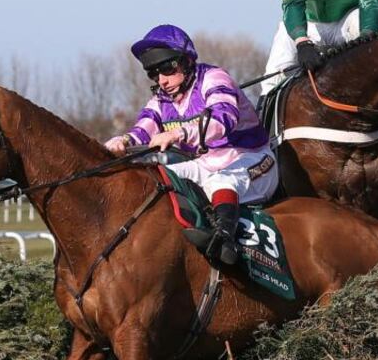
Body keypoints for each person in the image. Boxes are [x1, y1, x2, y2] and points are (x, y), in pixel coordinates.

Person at [105, 24, 279, 267]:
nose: (162, 80)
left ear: (186, 61)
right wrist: (122, 142)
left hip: (254, 160)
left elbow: (223, 120)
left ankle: (225, 241)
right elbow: (142, 130)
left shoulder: (214, 78)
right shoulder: (161, 100)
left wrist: (178, 134)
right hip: (207, 164)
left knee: (221, 181)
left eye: (167, 69)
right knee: (158, 179)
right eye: (154, 74)